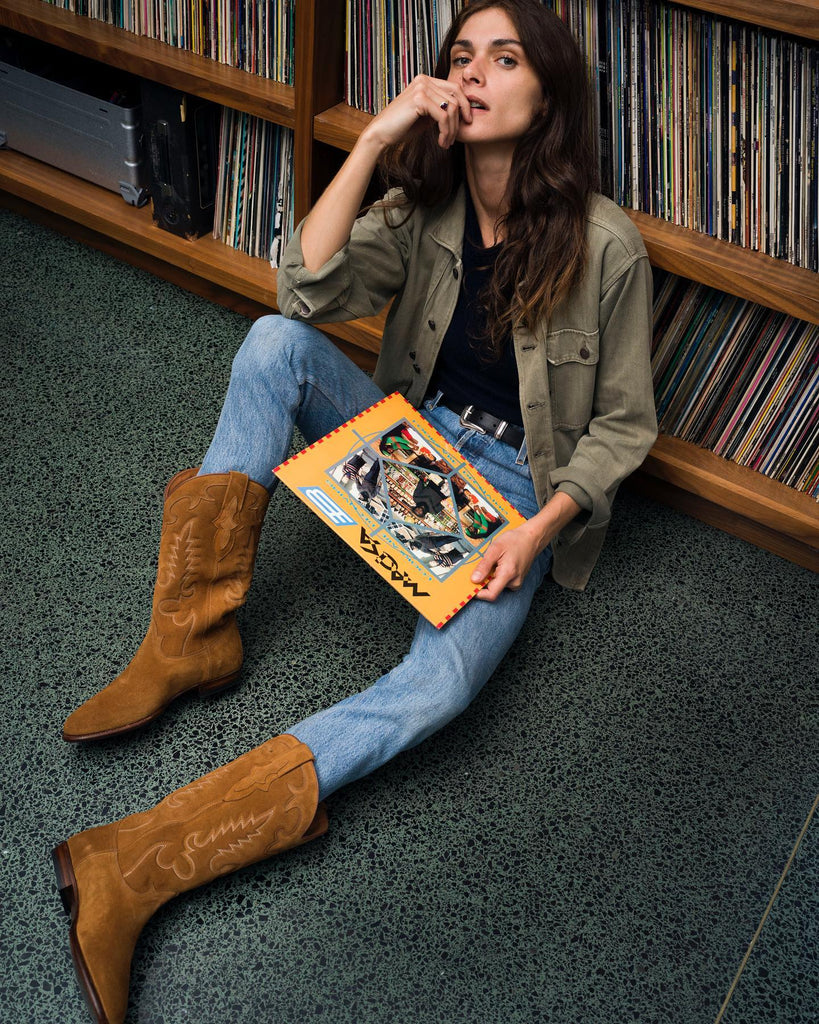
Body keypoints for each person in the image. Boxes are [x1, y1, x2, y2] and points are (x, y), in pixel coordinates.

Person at [53, 2, 658, 1021]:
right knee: (270, 346)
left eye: (503, 59)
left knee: (443, 684)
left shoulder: (609, 247)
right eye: (460, 56)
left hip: (512, 491)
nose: (474, 73)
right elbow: (302, 286)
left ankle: (138, 864)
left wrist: (533, 531)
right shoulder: (426, 200)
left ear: (547, 96)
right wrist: (377, 137)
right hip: (410, 442)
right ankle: (192, 637)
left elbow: (624, 427)